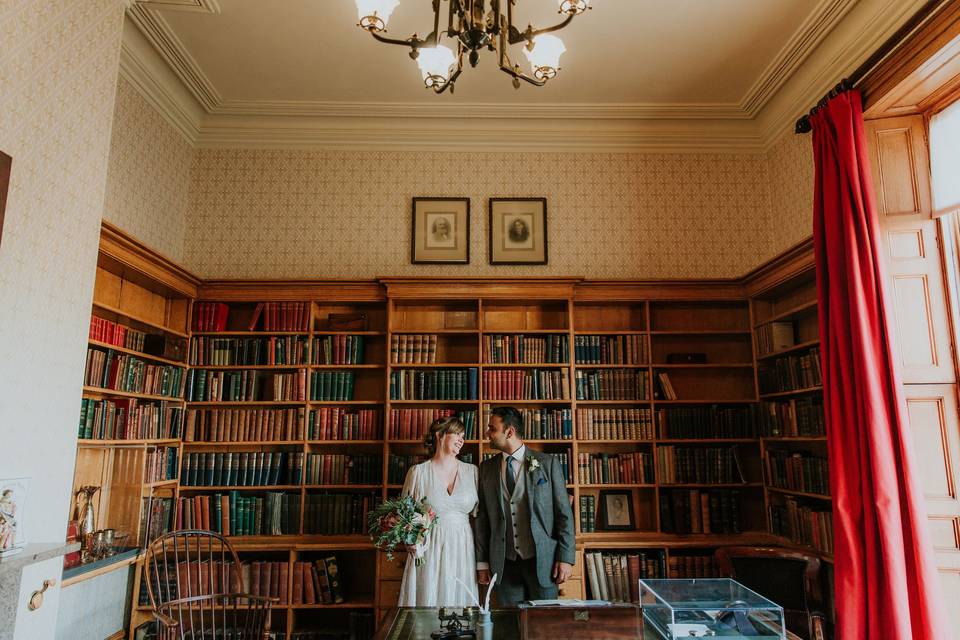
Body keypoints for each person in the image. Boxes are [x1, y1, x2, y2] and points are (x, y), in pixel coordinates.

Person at [474, 407, 575, 606]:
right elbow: (482, 520)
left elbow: (564, 514)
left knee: (544, 628)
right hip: (503, 564)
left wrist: (566, 558)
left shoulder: (547, 463)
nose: (487, 434)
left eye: (492, 429)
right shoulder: (487, 469)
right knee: (510, 625)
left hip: (544, 562)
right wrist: (482, 562)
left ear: (509, 432)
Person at [397, 417, 479, 607]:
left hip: (462, 547)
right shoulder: (418, 473)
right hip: (429, 547)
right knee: (429, 599)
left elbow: (479, 518)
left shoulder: (472, 472)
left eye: (463, 436)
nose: (461, 439)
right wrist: (411, 541)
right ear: (439, 435)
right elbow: (405, 515)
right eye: (456, 434)